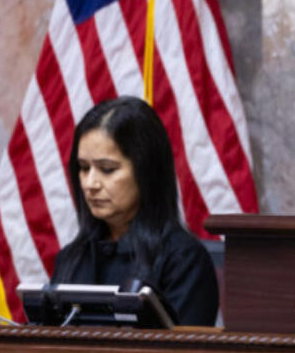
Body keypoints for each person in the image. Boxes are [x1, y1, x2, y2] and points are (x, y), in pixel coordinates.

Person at [51, 96, 219, 326]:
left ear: (145, 171)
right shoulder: (71, 258)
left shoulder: (183, 261)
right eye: (83, 168)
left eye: (107, 169)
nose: (90, 184)